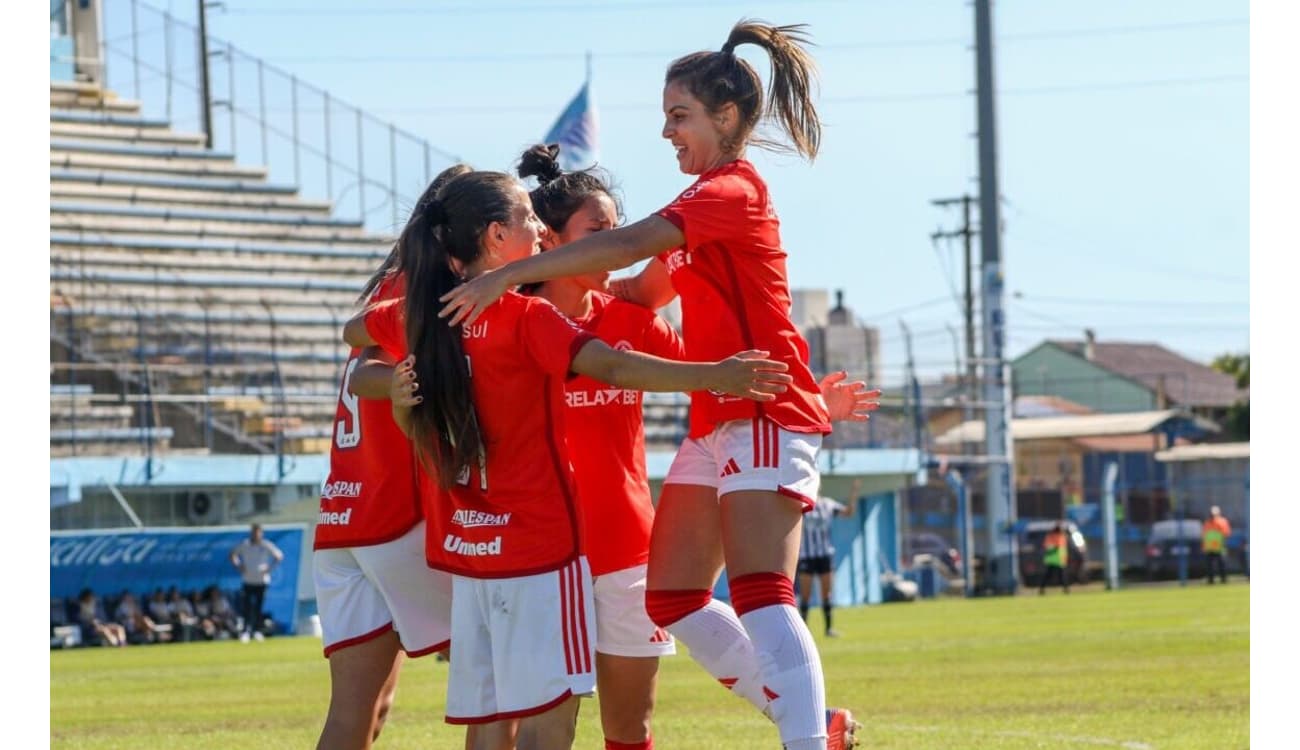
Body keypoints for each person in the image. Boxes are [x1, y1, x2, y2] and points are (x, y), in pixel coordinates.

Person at [437, 21, 860, 750]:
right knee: (675, 596)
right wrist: (523, 282)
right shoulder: (694, 213)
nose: (666, 131)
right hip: (711, 426)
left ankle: (808, 740)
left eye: (679, 115)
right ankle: (810, 721)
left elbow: (635, 252)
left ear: (725, 118)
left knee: (762, 596)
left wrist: (508, 272)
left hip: (756, 406)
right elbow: (635, 280)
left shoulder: (730, 191)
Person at [346, 169, 792, 750]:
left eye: (613, 229)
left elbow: (358, 345)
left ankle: (811, 714)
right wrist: (717, 371)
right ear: (521, 240)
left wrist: (397, 376)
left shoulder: (446, 313)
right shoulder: (525, 319)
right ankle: (808, 717)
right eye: (593, 229)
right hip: (545, 550)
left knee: (585, 726)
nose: (609, 241)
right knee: (543, 723)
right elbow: (613, 366)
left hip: (542, 548)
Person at [311, 166, 469, 750]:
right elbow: (370, 377)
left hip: (343, 521)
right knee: (509, 682)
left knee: (360, 716)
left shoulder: (391, 285)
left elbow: (358, 361)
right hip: (398, 517)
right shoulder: (424, 291)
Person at [797, 493, 854, 637]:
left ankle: (828, 629)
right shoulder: (801, 503)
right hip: (806, 555)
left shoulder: (828, 503)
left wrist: (853, 493)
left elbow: (848, 512)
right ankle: (803, 631)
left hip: (825, 555)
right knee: (805, 596)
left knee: (826, 594)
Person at [229, 523, 283, 642]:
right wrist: (239, 566)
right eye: (254, 532)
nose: (256, 535)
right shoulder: (245, 544)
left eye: (258, 532)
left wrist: (269, 569)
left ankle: (257, 631)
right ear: (251, 533)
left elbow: (279, 556)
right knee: (247, 607)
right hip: (248, 580)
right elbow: (232, 554)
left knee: (258, 607)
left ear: (261, 533)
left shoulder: (266, 545)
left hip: (262, 581)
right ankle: (245, 632)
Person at [1202, 505, 1232, 585]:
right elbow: (1204, 535)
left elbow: (1227, 533)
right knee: (1209, 566)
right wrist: (1204, 546)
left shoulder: (1222, 521)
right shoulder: (1207, 523)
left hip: (1220, 546)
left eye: (1214, 514)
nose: (1212, 516)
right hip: (1210, 548)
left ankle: (1223, 580)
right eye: (1211, 514)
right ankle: (1210, 581)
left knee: (1222, 564)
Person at [1038, 522, 1070, 595]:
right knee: (1056, 576)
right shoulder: (1054, 536)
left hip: (1057, 559)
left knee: (1057, 576)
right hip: (1055, 559)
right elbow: (1049, 547)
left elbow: (1061, 548)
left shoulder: (1060, 536)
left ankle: (1065, 589)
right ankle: (1042, 589)